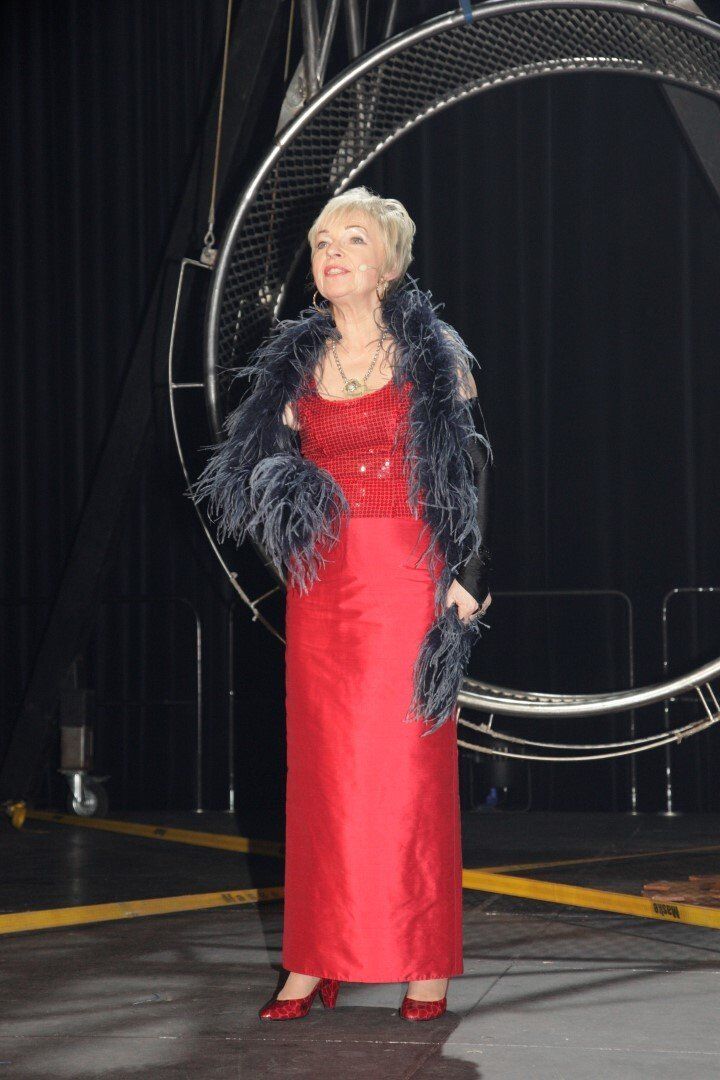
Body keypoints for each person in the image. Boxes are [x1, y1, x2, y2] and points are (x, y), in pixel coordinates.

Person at [189, 186, 493, 1022]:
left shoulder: (433, 352)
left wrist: (469, 571)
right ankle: (313, 959)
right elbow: (253, 472)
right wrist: (286, 504)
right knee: (323, 776)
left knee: (407, 773)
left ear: (389, 263)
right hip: (323, 582)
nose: (333, 253)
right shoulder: (293, 365)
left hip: (407, 573)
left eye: (353, 239)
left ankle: (423, 960)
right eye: (325, 242)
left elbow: (473, 467)